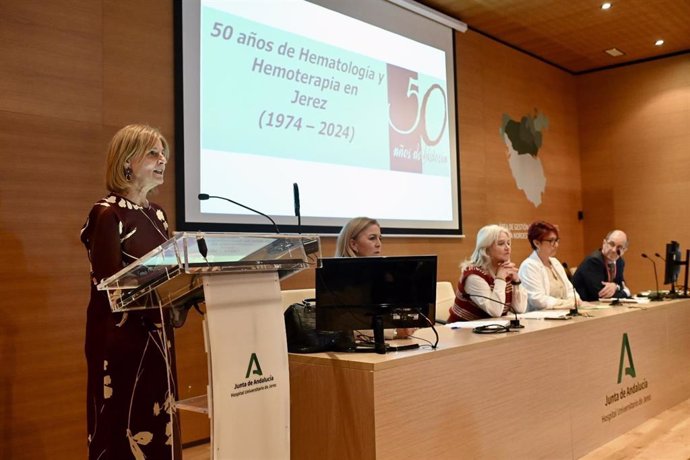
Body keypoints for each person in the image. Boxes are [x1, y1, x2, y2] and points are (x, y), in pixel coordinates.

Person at [80, 124, 181, 459]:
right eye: (153, 152)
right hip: (121, 339)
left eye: (162, 152)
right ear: (126, 161)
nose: (162, 159)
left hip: (156, 335)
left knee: (158, 422)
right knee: (121, 425)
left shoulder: (159, 215)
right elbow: (108, 285)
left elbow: (170, 273)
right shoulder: (107, 213)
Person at [335, 217, 413, 339]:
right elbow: (343, 323)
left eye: (380, 238)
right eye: (372, 238)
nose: (378, 244)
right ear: (353, 244)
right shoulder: (339, 278)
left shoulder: (383, 275)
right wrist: (394, 332)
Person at [448, 224, 527, 322]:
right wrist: (500, 279)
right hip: (463, 332)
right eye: (501, 243)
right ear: (486, 249)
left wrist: (516, 281)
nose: (507, 248)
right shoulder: (473, 275)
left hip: (492, 329)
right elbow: (495, 311)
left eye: (508, 243)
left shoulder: (503, 270)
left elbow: (520, 309)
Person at [518, 221, 582, 310]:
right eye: (551, 241)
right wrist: (565, 303)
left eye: (556, 240)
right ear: (537, 243)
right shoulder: (529, 266)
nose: (556, 245)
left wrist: (574, 300)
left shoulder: (555, 262)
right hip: (540, 319)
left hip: (563, 313)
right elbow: (537, 299)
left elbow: (570, 290)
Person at [572, 229, 631, 301]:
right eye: (611, 244)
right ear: (604, 243)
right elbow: (601, 294)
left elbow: (621, 284)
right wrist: (626, 293)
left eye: (619, 247)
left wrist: (615, 286)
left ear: (624, 250)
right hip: (584, 305)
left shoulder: (620, 262)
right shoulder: (594, 261)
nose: (613, 250)